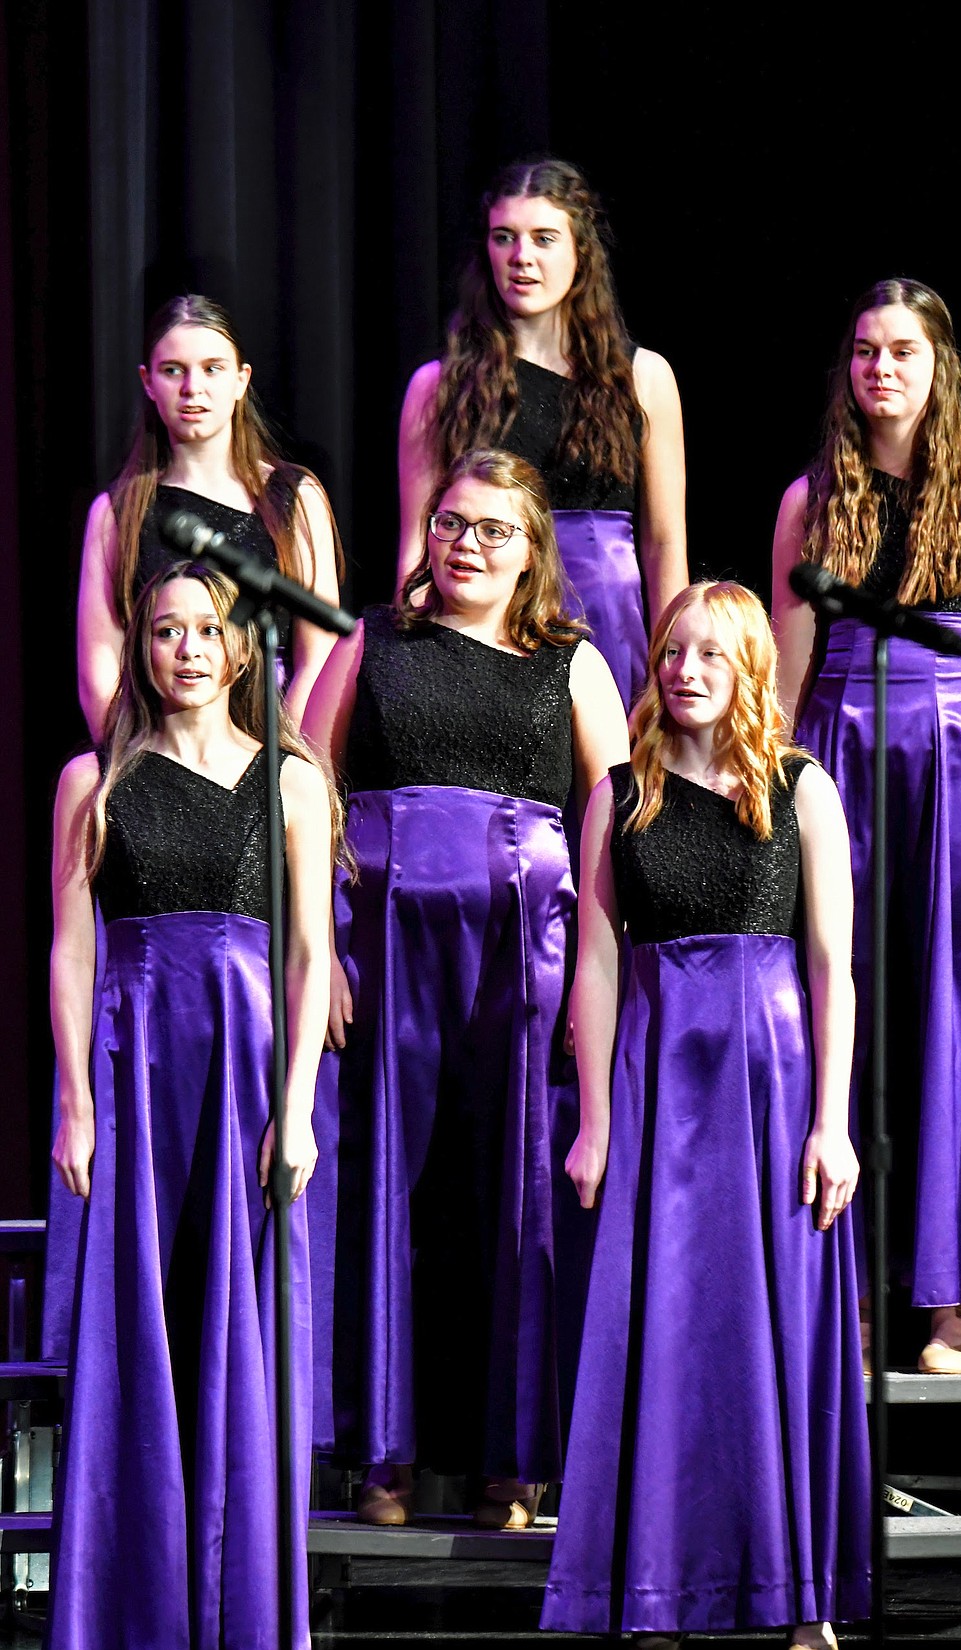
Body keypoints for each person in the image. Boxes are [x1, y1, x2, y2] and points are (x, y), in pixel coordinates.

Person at [303, 447, 628, 1527]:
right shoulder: (373, 642)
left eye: (492, 529)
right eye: (449, 524)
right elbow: (302, 793)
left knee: (514, 1189)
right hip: (384, 948)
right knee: (389, 1187)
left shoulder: (570, 662)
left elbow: (615, 825)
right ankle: (382, 1458)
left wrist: (594, 990)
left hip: (521, 961)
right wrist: (318, 953)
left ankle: (511, 1461)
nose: (465, 545)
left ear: (532, 549)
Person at [541, 582, 870, 1646]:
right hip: (655, 1082)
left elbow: (831, 969)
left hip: (769, 1089)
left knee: (775, 1327)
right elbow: (593, 966)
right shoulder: (615, 795)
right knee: (663, 1332)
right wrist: (592, 1119)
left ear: (749, 673)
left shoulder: (798, 787)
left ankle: (797, 1599)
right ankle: (652, 1591)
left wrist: (832, 1121)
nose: (683, 671)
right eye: (671, 652)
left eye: (709, 657)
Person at [771, 277, 961, 1373]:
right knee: (841, 1022)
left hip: (958, 768)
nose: (879, 369)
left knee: (953, 1021)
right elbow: (782, 682)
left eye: (900, 351)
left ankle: (954, 1302)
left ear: (936, 364)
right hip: (841, 762)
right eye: (862, 351)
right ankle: (846, 1292)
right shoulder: (812, 497)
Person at [47, 562, 335, 1650]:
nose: (188, 649)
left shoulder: (290, 784)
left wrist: (297, 1104)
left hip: (247, 1082)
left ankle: (238, 1601)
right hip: (135, 1076)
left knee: (240, 1332)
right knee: (137, 1331)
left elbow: (310, 957)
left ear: (243, 646)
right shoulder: (96, 782)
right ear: (143, 647)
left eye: (208, 630)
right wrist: (74, 1099)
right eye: (167, 631)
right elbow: (72, 953)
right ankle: (130, 1604)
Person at [395, 156, 687, 713]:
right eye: (504, 237)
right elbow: (416, 542)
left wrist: (672, 659)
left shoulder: (643, 377)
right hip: (485, 622)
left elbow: (665, 543)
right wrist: (414, 663)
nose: (521, 257)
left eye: (543, 238)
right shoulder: (438, 386)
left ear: (580, 250)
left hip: (607, 627)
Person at [77, 292, 343, 739]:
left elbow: (319, 655)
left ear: (241, 380)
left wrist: (288, 764)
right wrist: (140, 768)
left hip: (271, 745)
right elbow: (100, 668)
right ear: (147, 382)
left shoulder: (293, 496)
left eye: (212, 369)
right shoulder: (118, 513)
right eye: (173, 370)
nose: (192, 389)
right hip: (159, 749)